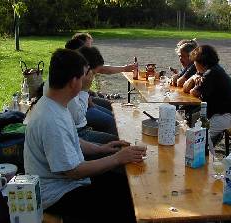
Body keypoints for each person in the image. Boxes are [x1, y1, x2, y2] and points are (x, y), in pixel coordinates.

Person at [23, 48, 146, 222]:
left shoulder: (55, 103)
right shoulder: (51, 119)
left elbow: (74, 140)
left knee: (125, 183)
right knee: (127, 203)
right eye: (83, 77)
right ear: (74, 81)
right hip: (58, 195)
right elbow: (73, 171)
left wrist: (101, 148)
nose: (85, 82)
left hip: (69, 183)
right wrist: (117, 158)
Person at [187, 45, 231, 151]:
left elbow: (193, 92)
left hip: (229, 115)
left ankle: (204, 154)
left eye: (195, 62)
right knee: (195, 122)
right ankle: (209, 144)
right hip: (225, 112)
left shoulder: (211, 73)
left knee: (199, 138)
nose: (194, 65)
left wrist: (195, 77)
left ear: (201, 62)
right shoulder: (215, 69)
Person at [68, 46, 118, 143]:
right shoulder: (72, 82)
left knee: (113, 114)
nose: (93, 77)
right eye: (94, 73)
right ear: (86, 69)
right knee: (114, 126)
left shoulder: (75, 76)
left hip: (80, 124)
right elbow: (78, 117)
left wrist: (87, 94)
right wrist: (85, 90)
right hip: (79, 131)